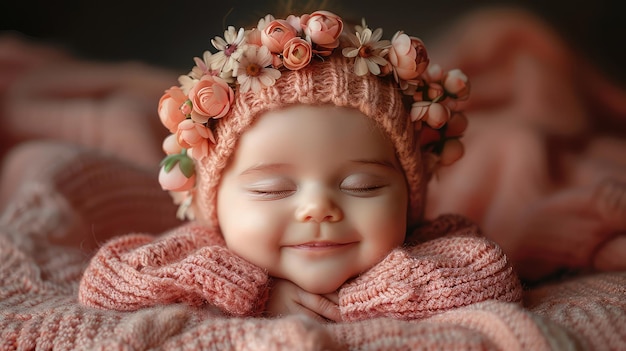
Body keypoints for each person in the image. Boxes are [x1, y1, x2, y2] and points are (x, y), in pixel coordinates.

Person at [77, 9, 522, 322]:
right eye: (272, 189)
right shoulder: (203, 254)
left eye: (363, 185)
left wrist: (351, 299)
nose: (318, 209)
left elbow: (491, 274)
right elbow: (106, 283)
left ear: (409, 197)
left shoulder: (427, 249)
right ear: (214, 206)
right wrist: (258, 293)